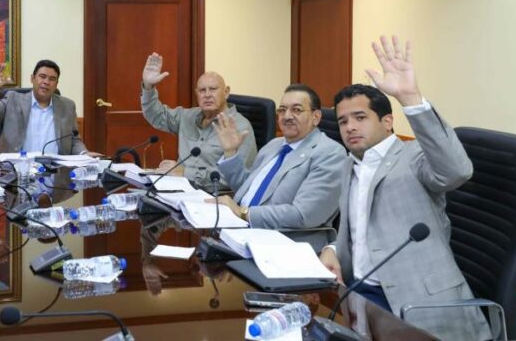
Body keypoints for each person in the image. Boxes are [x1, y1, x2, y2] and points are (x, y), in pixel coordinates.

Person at [319, 35, 491, 340]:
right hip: (360, 294)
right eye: (343, 121)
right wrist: (332, 249)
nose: (350, 127)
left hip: (418, 302)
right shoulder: (349, 163)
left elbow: (456, 171)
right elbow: (359, 229)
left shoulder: (414, 157)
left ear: (387, 122)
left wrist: (411, 99)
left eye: (360, 117)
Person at [210, 84, 346, 250]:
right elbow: (249, 189)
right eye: (282, 110)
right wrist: (230, 152)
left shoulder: (330, 153)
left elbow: (303, 215)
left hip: (285, 244)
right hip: (241, 231)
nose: (287, 116)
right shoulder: (274, 145)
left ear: (316, 117)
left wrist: (244, 213)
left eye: (296, 110)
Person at [141, 52, 257, 189]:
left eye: (213, 89)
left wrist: (185, 173)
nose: (207, 95)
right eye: (202, 90)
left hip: (213, 196)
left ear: (226, 92)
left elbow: (238, 179)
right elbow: (156, 115)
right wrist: (148, 86)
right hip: (178, 188)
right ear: (197, 93)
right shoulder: (187, 116)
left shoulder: (240, 127)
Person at [0, 60, 87, 155]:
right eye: (42, 76)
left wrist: (84, 154)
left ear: (56, 84)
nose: (46, 82)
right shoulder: (12, 99)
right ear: (32, 78)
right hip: (16, 169)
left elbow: (74, 139)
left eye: (52, 79)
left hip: (55, 170)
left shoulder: (67, 106)